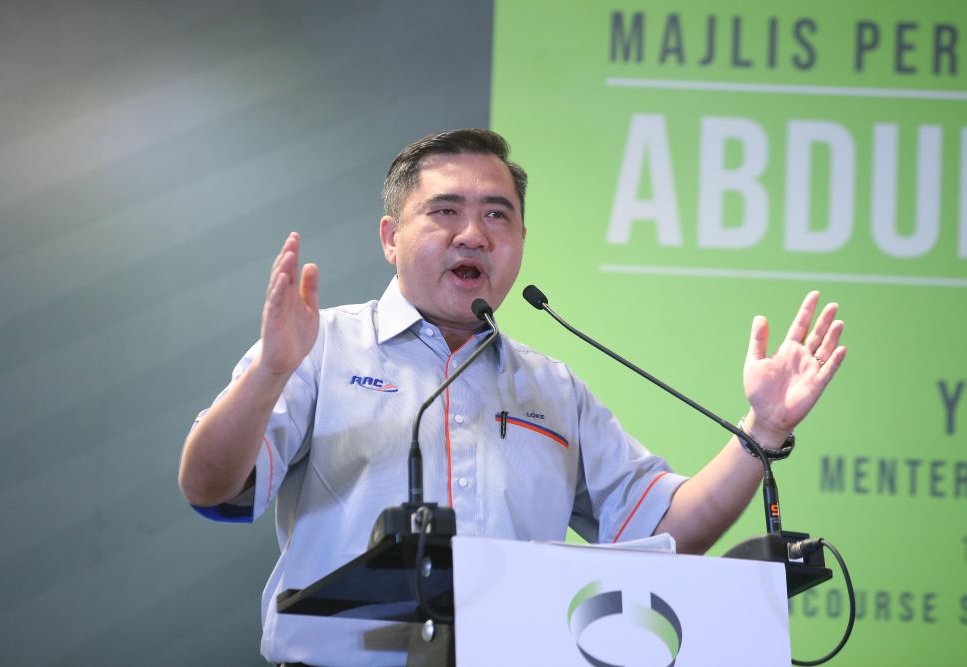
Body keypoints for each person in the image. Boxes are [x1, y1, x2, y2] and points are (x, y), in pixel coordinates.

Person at [178, 129, 846, 666]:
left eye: (497, 214)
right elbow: (209, 485)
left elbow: (669, 529)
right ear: (390, 238)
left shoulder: (552, 387)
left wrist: (761, 428)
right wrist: (269, 373)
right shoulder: (318, 347)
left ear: (520, 242)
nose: (474, 233)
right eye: (445, 211)